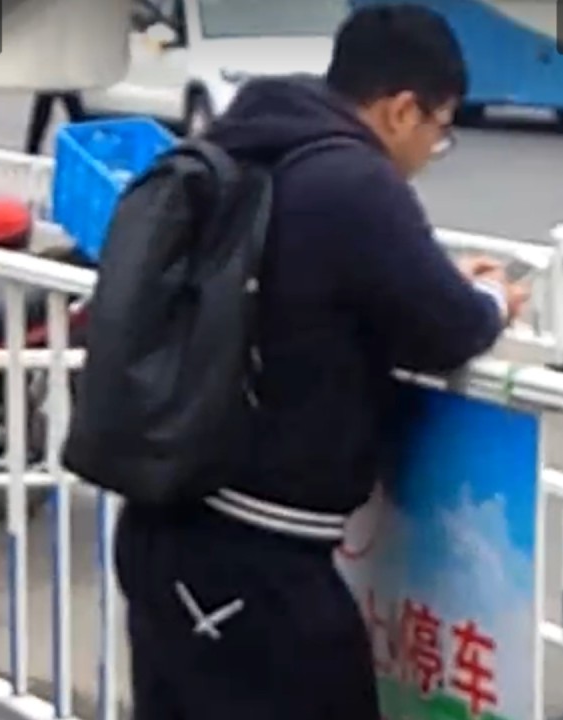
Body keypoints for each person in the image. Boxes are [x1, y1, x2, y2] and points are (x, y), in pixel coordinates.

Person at [114, 5, 529, 719]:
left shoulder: (246, 144)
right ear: (402, 110)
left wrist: (438, 280)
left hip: (167, 529)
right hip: (254, 558)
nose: (433, 149)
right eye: (440, 129)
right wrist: (492, 296)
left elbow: (331, 284)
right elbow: (451, 329)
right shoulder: (354, 181)